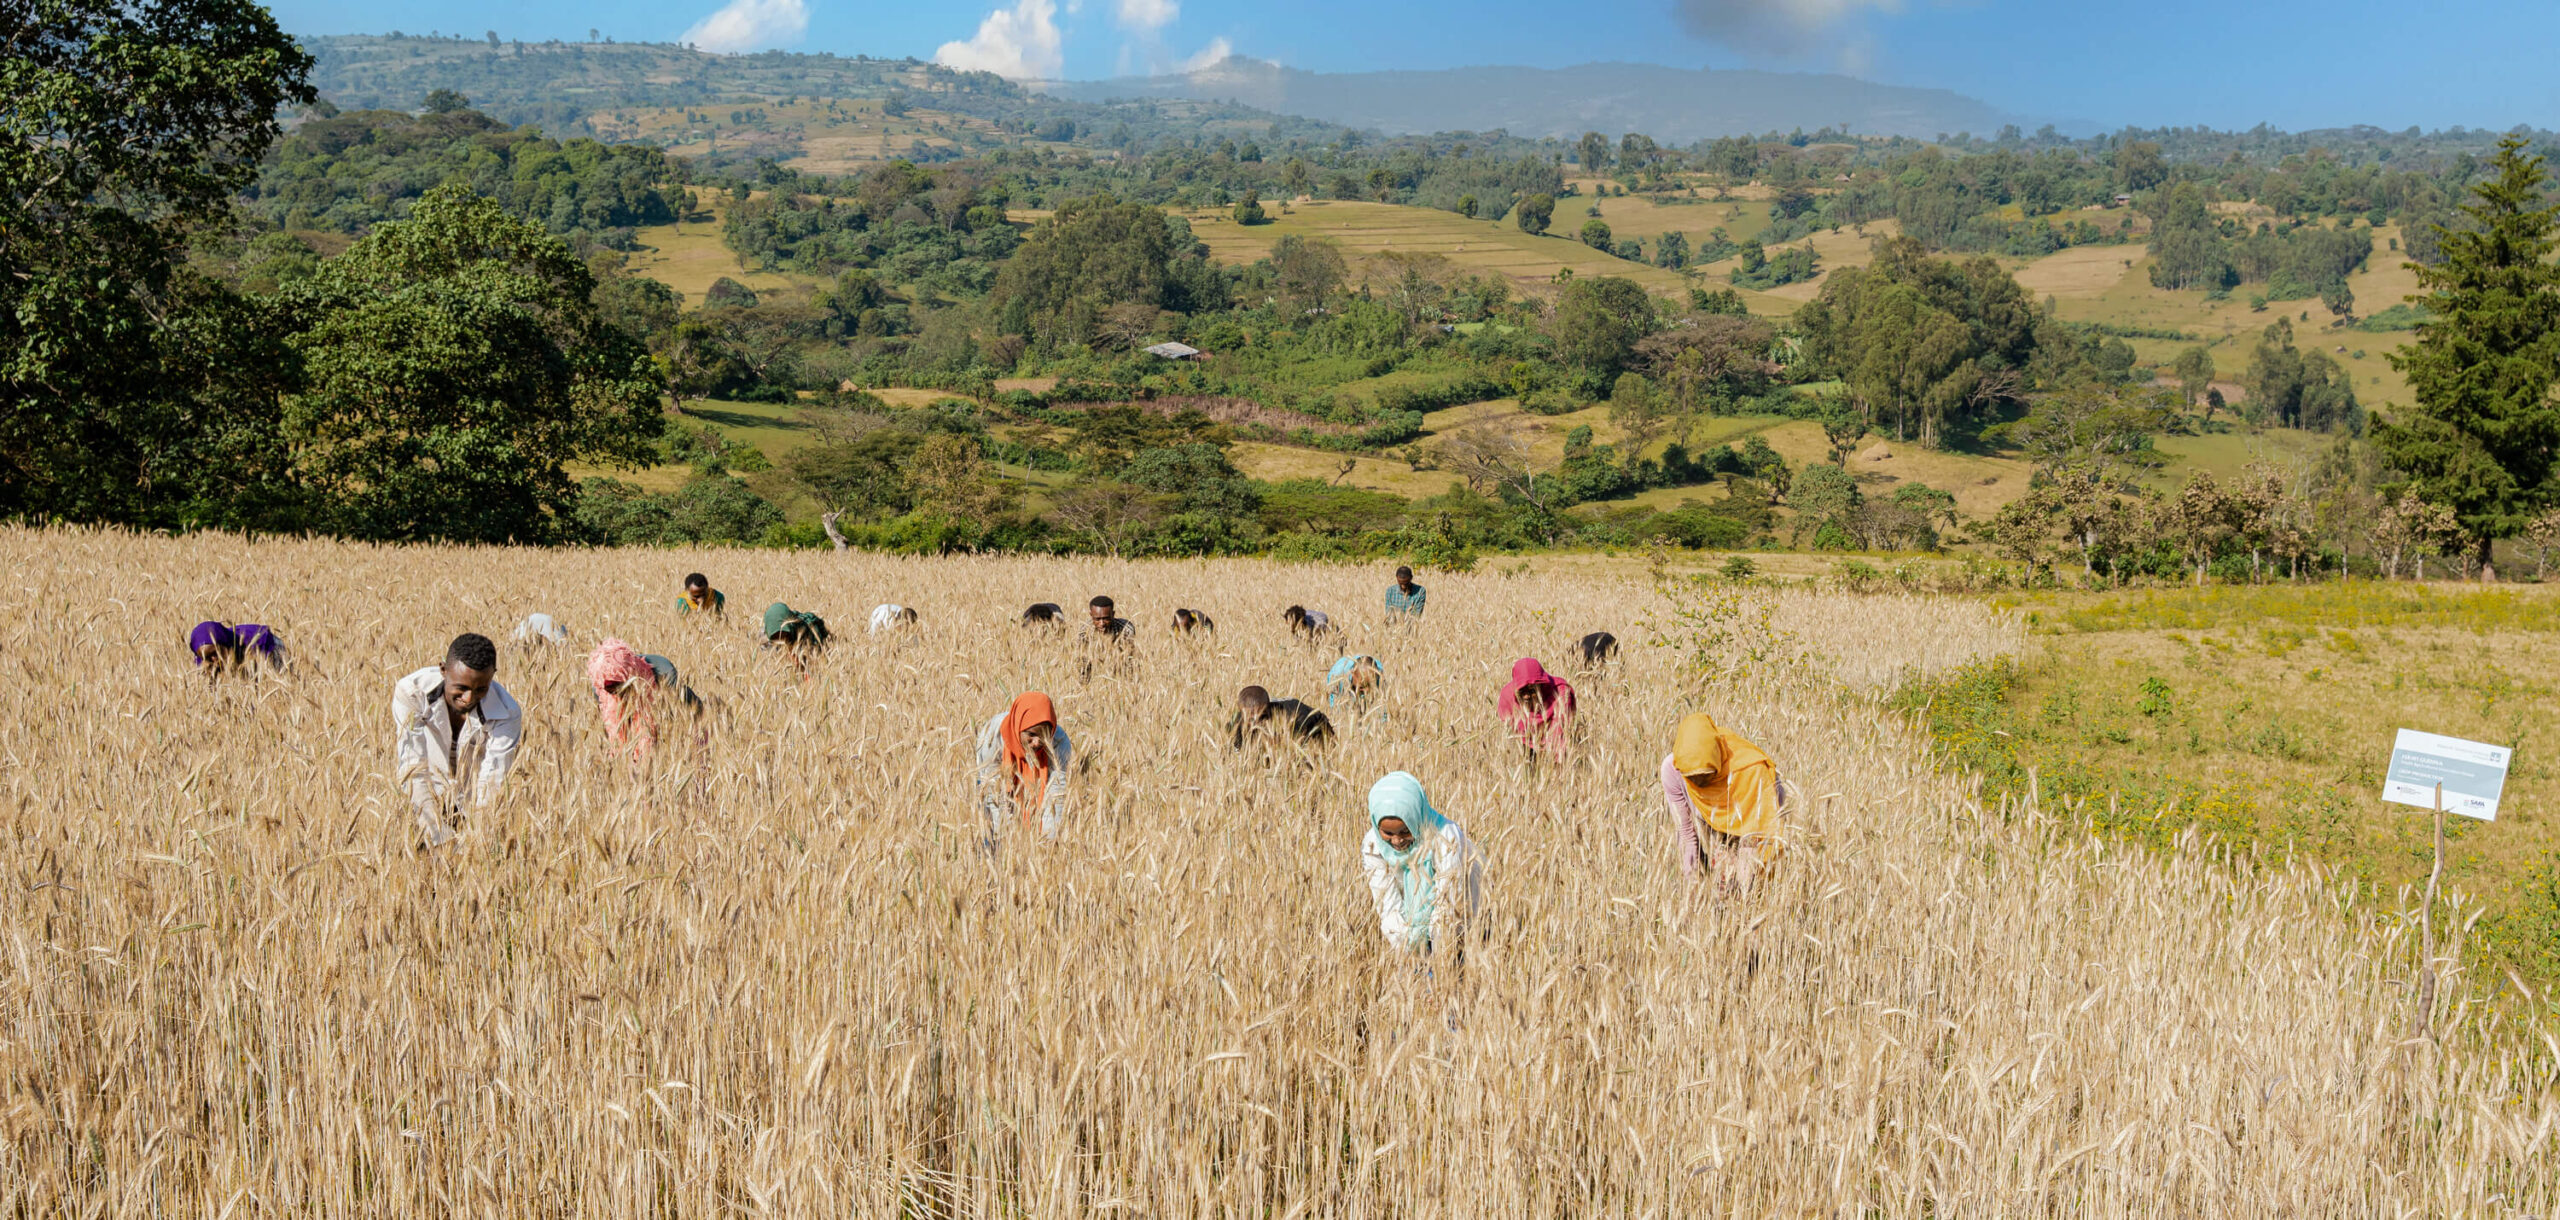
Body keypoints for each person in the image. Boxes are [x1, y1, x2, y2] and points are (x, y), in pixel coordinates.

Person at [393, 632, 522, 847]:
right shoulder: (412, 693)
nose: (469, 698)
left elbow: (494, 782)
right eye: (461, 688)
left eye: (481, 689)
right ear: (443, 670)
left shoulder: (507, 712)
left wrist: (475, 841)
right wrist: (437, 836)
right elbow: (413, 768)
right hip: (425, 797)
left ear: (493, 675)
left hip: (474, 803)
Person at [1660, 712, 1789, 892]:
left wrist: (1743, 892)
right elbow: (1686, 833)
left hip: (1752, 826)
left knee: (1745, 887)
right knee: (1721, 881)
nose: (1699, 783)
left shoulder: (1749, 771)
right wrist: (1693, 888)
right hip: (1714, 828)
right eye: (1692, 778)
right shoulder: (1673, 770)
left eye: (1706, 776)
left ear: (1718, 763)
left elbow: (1754, 836)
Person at [1361, 772, 1482, 954]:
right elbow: (1387, 906)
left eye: (1405, 831)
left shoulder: (1445, 837)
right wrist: (1409, 950)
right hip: (1412, 930)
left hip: (1467, 920)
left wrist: (1437, 957)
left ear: (1416, 818)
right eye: (1388, 833)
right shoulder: (1373, 844)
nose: (1397, 841)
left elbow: (1449, 907)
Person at [974, 692, 1073, 844]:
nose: (1037, 742)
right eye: (1031, 734)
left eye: (1044, 735)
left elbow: (1055, 794)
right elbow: (993, 792)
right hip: (995, 780)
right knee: (991, 833)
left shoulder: (1059, 742)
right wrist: (1007, 839)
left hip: (1037, 785)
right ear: (1019, 727)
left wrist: (1048, 843)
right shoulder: (992, 737)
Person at [586, 638, 700, 760]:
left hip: (675, 728)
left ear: (629, 676)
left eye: (618, 685)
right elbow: (611, 727)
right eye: (610, 688)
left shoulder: (665, 677)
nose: (616, 691)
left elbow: (691, 717)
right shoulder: (600, 689)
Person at [1498, 657, 1577, 763]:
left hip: (1556, 748)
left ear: (1542, 685)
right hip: (1523, 750)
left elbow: (1559, 734)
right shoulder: (1508, 696)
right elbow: (1510, 732)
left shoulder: (1560, 692)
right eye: (1522, 690)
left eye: (1532, 690)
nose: (1526, 696)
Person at [1228, 684, 1333, 751]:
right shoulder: (1236, 724)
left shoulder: (1297, 717)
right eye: (1250, 719)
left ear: (1269, 709)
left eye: (1261, 716)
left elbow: (1296, 755)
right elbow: (1237, 754)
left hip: (1317, 731)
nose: (1256, 722)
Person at [187, 620, 284, 681]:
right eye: (207, 657)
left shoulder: (256, 645)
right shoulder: (202, 662)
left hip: (269, 647)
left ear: (224, 643)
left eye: (215, 652)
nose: (214, 659)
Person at [763, 602, 829, 674]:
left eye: (784, 634)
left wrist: (801, 664)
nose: (781, 639)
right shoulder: (766, 637)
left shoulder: (807, 633)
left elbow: (817, 664)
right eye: (776, 637)